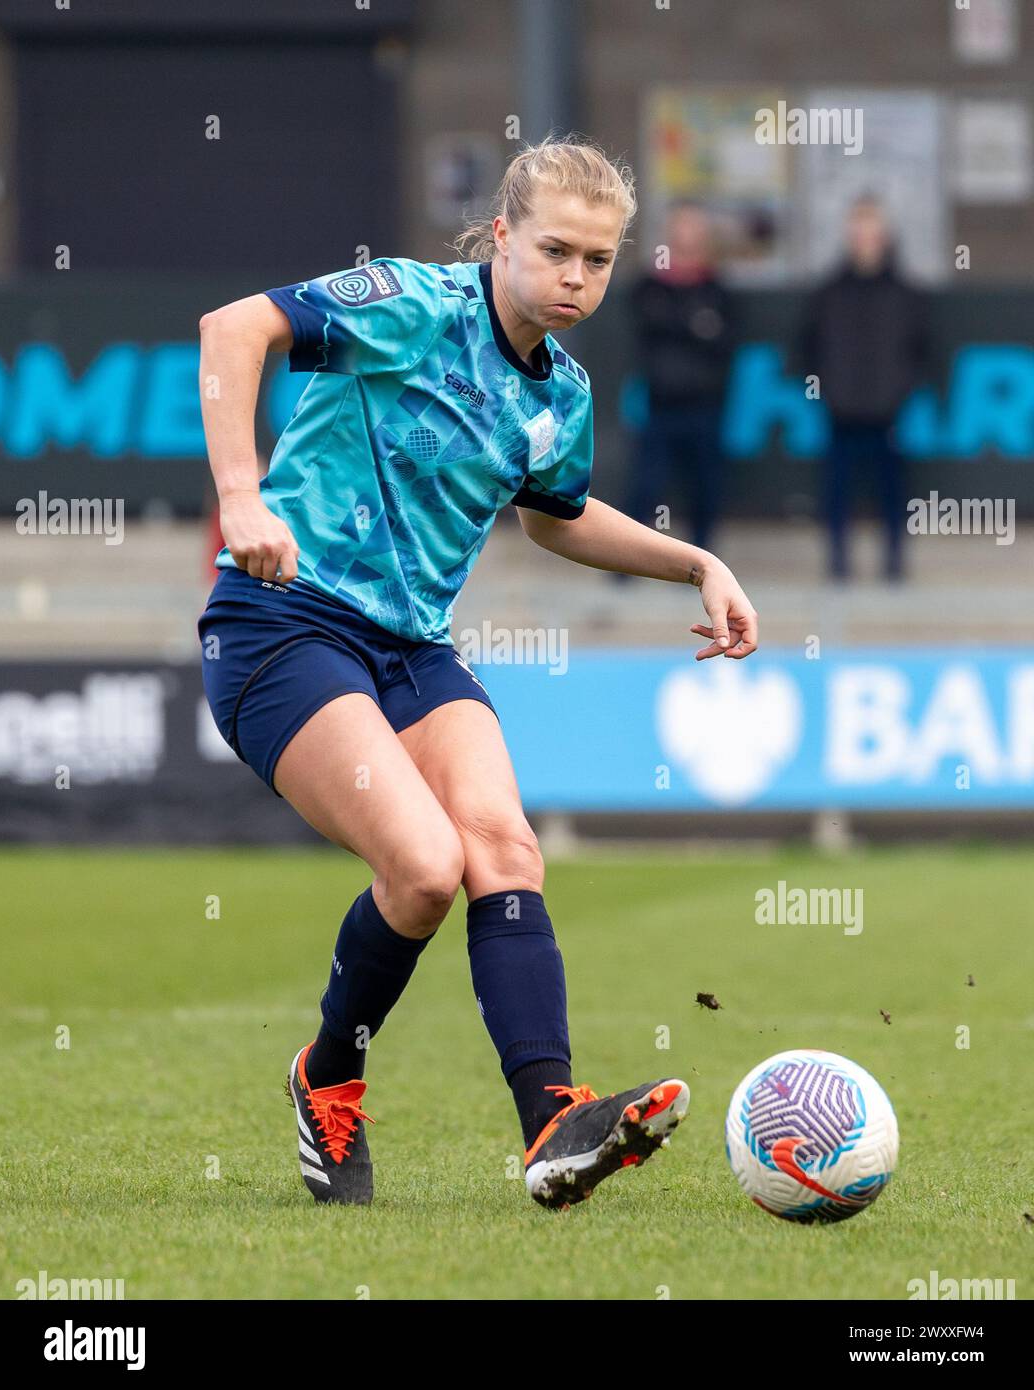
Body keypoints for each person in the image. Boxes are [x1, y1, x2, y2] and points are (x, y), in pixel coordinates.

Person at [196, 135, 759, 1212]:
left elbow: (555, 520)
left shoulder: (562, 391)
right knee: (419, 867)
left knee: (502, 845)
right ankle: (326, 1078)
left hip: (410, 650)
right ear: (501, 236)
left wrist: (696, 562)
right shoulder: (407, 303)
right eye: (554, 251)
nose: (575, 279)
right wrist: (239, 495)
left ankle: (551, 1118)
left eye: (597, 261)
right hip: (281, 626)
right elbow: (236, 327)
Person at [800, 195, 929, 581]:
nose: (865, 238)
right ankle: (838, 564)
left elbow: (920, 351)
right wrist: (828, 393)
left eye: (872, 229)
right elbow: (808, 349)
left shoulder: (905, 293)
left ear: (885, 235)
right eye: (858, 229)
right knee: (837, 492)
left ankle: (894, 565)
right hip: (840, 415)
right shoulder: (828, 293)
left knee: (892, 492)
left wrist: (899, 393)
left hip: (889, 416)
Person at [625, 200, 734, 551]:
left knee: (705, 489)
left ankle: (703, 565)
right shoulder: (650, 287)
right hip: (660, 406)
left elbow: (723, 341)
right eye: (681, 227)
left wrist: (685, 325)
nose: (687, 236)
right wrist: (695, 325)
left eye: (695, 228)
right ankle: (624, 562)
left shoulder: (718, 290)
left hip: (705, 407)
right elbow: (652, 326)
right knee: (645, 486)